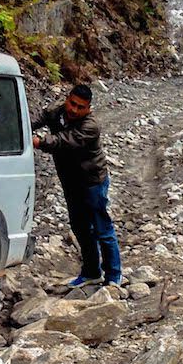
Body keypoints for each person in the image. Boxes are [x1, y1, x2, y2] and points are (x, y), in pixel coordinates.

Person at [33, 84, 122, 287]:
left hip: (92, 182)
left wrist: (37, 142)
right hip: (70, 180)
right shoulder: (57, 110)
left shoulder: (90, 126)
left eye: (80, 107)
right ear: (67, 99)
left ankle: (114, 275)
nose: (74, 109)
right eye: (72, 103)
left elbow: (63, 141)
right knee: (80, 228)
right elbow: (37, 120)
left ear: (88, 108)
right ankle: (91, 271)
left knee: (102, 227)